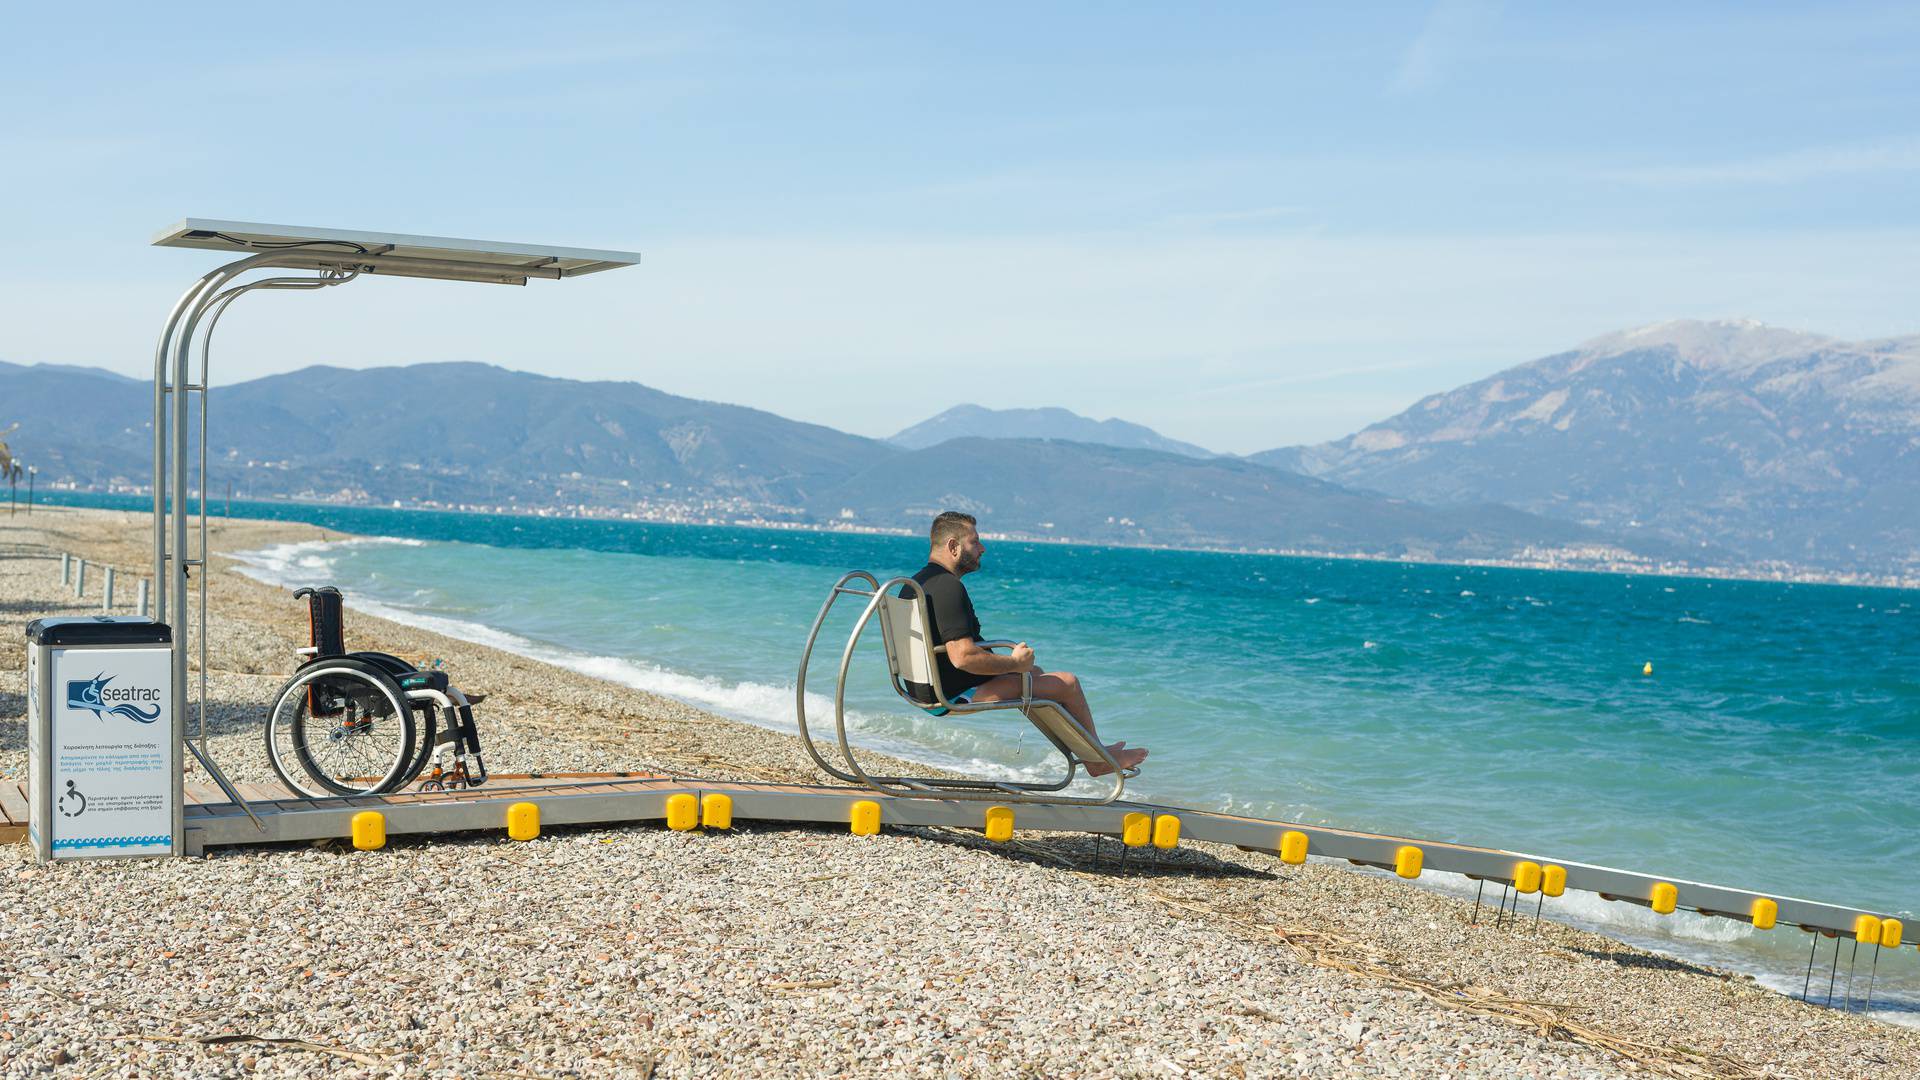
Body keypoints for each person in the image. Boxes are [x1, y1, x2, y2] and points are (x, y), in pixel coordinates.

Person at [905, 510, 1147, 776]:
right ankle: (1096, 761)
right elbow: (963, 657)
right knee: (1067, 683)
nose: (982, 548)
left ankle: (1093, 751)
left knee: (1036, 676)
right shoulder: (948, 588)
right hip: (950, 696)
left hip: (926, 691)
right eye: (975, 542)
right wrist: (1013, 662)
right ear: (953, 546)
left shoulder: (915, 583)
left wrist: (1018, 668)